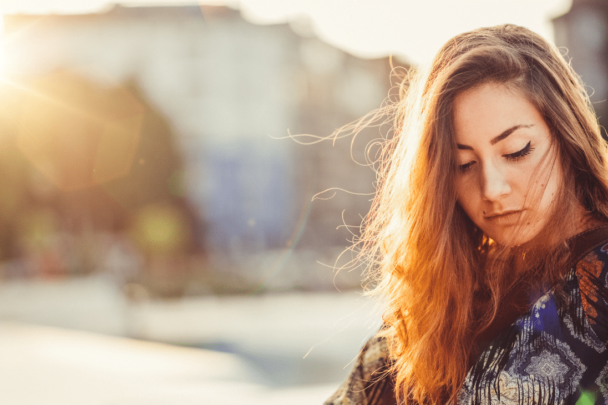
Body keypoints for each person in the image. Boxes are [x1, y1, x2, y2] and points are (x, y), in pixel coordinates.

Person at [324, 24, 608, 405]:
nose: (492, 189)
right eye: (464, 164)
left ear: (566, 136)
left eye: (517, 151)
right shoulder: (441, 301)